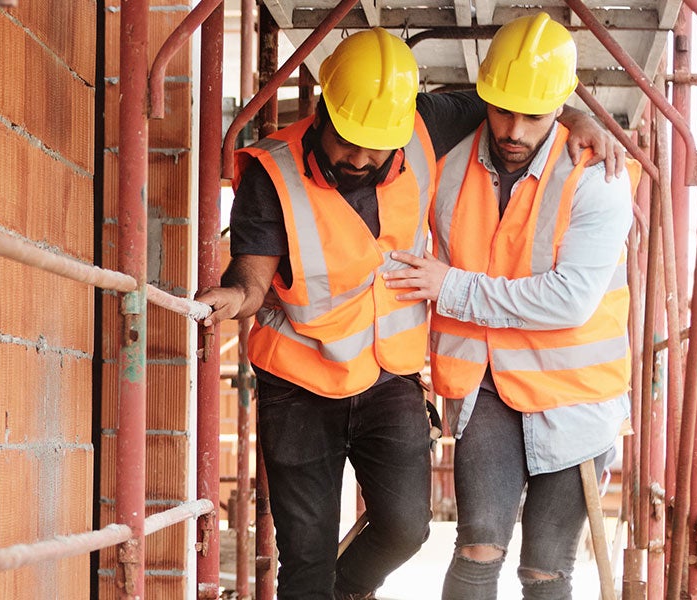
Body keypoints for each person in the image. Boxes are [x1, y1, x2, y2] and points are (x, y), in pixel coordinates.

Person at [193, 27, 621, 599]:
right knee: (308, 558)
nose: (364, 157)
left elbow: (519, 103)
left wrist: (579, 120)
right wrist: (234, 299)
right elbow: (252, 276)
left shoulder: (425, 123)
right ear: (323, 110)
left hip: (389, 375)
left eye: (379, 144)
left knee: (406, 528)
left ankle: (340, 593)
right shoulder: (273, 176)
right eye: (349, 140)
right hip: (299, 384)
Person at [380, 13, 637, 599]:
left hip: (574, 397)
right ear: (483, 96)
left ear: (561, 105)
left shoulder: (597, 175)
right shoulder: (445, 157)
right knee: (477, 544)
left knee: (546, 566)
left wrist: (451, 288)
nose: (514, 129)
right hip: (486, 383)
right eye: (502, 110)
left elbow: (571, 300)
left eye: (535, 115)